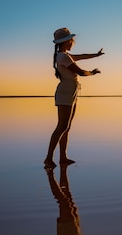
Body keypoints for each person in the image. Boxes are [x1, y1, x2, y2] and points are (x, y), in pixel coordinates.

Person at [44, 27, 104, 168]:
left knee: (67, 127)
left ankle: (63, 157)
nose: (73, 43)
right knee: (62, 126)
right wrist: (93, 72)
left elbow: (81, 56)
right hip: (66, 91)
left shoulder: (63, 55)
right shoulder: (63, 57)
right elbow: (81, 72)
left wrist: (95, 55)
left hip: (71, 91)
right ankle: (48, 158)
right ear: (67, 41)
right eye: (72, 40)